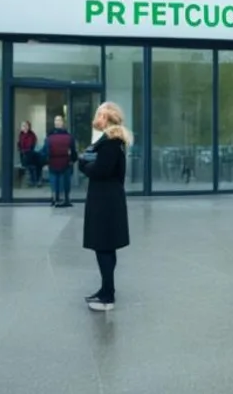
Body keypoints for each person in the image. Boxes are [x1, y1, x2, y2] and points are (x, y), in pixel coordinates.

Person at [78, 102, 132, 312]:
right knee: (105, 247)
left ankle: (108, 295)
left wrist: (83, 164)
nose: (96, 118)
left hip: (106, 202)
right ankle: (105, 290)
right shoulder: (109, 140)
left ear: (107, 117)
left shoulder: (110, 142)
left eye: (99, 114)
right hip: (107, 200)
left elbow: (100, 170)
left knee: (104, 247)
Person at [41, 116, 78, 208]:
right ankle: (64, 199)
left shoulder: (49, 137)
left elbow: (45, 151)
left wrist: (45, 161)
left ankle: (55, 199)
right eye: (56, 120)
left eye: (59, 120)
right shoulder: (69, 137)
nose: (57, 122)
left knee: (55, 181)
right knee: (64, 182)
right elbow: (73, 152)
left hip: (54, 163)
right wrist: (73, 160)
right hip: (65, 163)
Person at [17, 120, 40, 188]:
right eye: (23, 126)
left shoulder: (31, 135)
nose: (24, 127)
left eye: (25, 125)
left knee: (30, 166)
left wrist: (24, 150)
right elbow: (19, 144)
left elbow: (31, 145)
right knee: (27, 166)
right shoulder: (21, 134)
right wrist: (20, 148)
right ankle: (31, 180)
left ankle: (33, 180)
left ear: (28, 127)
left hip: (29, 155)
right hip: (23, 154)